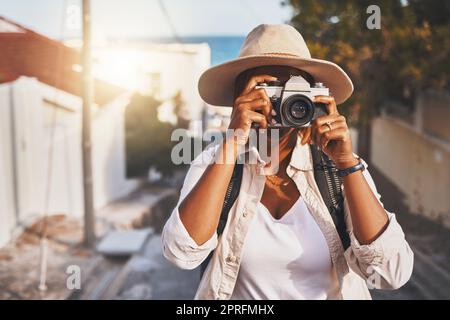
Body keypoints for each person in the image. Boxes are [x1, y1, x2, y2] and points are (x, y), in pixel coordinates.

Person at [162, 24, 413, 300]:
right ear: (239, 99)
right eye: (267, 90)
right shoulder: (216, 163)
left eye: (291, 90)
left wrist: (346, 164)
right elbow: (181, 253)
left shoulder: (338, 170)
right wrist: (232, 142)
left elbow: (391, 273)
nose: (281, 103)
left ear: (313, 98)